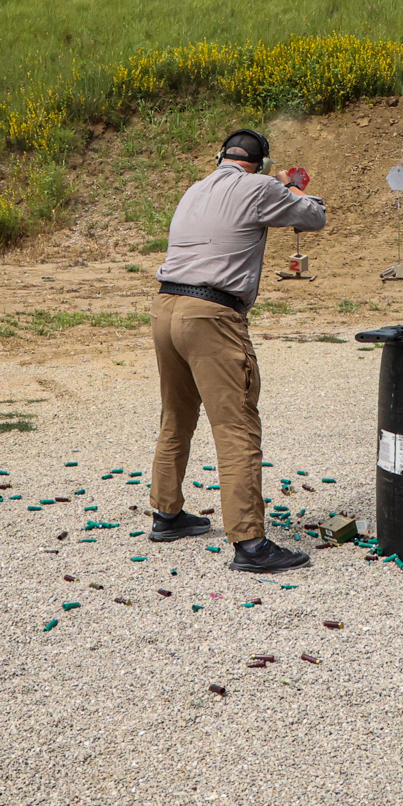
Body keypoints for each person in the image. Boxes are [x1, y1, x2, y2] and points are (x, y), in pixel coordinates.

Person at [147, 128, 325, 573]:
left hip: (165, 309)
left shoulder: (194, 188)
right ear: (261, 164)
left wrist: (276, 187)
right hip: (210, 314)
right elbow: (314, 216)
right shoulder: (262, 187)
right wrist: (290, 187)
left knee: (176, 416)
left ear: (220, 156)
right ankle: (249, 543)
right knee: (236, 426)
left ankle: (166, 514)